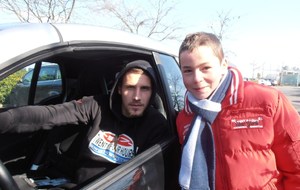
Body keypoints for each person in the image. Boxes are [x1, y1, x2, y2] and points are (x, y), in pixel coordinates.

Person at [0, 60, 168, 186]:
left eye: (144, 89)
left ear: (152, 91)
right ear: (118, 89)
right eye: (130, 87)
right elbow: (49, 115)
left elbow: (150, 176)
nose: (137, 96)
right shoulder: (96, 105)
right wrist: (7, 118)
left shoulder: (156, 125)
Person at [176, 32, 300, 190]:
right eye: (188, 70)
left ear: (223, 65)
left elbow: (296, 167)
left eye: (205, 68)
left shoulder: (266, 101)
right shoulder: (185, 117)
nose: (197, 78)